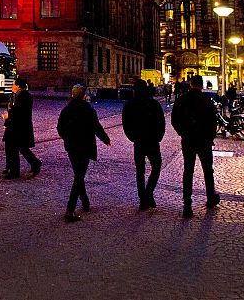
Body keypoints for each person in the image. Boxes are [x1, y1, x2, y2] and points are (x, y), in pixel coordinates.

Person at [57, 84, 111, 222]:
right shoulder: (88, 110)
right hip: (85, 147)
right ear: (84, 96)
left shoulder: (66, 109)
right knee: (79, 176)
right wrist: (105, 139)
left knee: (78, 175)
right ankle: (70, 209)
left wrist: (67, 138)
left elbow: (60, 128)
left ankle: (85, 201)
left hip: (71, 147)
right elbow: (96, 127)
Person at [170, 74, 221, 218]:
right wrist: (210, 137)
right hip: (204, 140)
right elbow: (213, 122)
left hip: (188, 140)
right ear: (201, 85)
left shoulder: (182, 100)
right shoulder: (207, 100)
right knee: (207, 170)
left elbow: (174, 120)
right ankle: (210, 198)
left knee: (188, 171)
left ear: (191, 84)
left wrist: (183, 133)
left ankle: (187, 205)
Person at [122, 79, 165, 210]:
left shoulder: (130, 104)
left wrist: (132, 137)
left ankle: (143, 198)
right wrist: (158, 137)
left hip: (139, 141)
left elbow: (126, 124)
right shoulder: (153, 104)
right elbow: (161, 122)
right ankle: (148, 193)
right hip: (152, 140)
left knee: (140, 171)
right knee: (156, 167)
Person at [2, 77, 41, 179]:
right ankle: (33, 164)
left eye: (13, 84)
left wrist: (8, 116)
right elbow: (12, 109)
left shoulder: (25, 96)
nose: (12, 86)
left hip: (20, 126)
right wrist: (6, 123)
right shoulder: (15, 95)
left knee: (16, 147)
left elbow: (20, 112)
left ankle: (15, 171)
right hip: (13, 125)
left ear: (18, 86)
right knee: (18, 147)